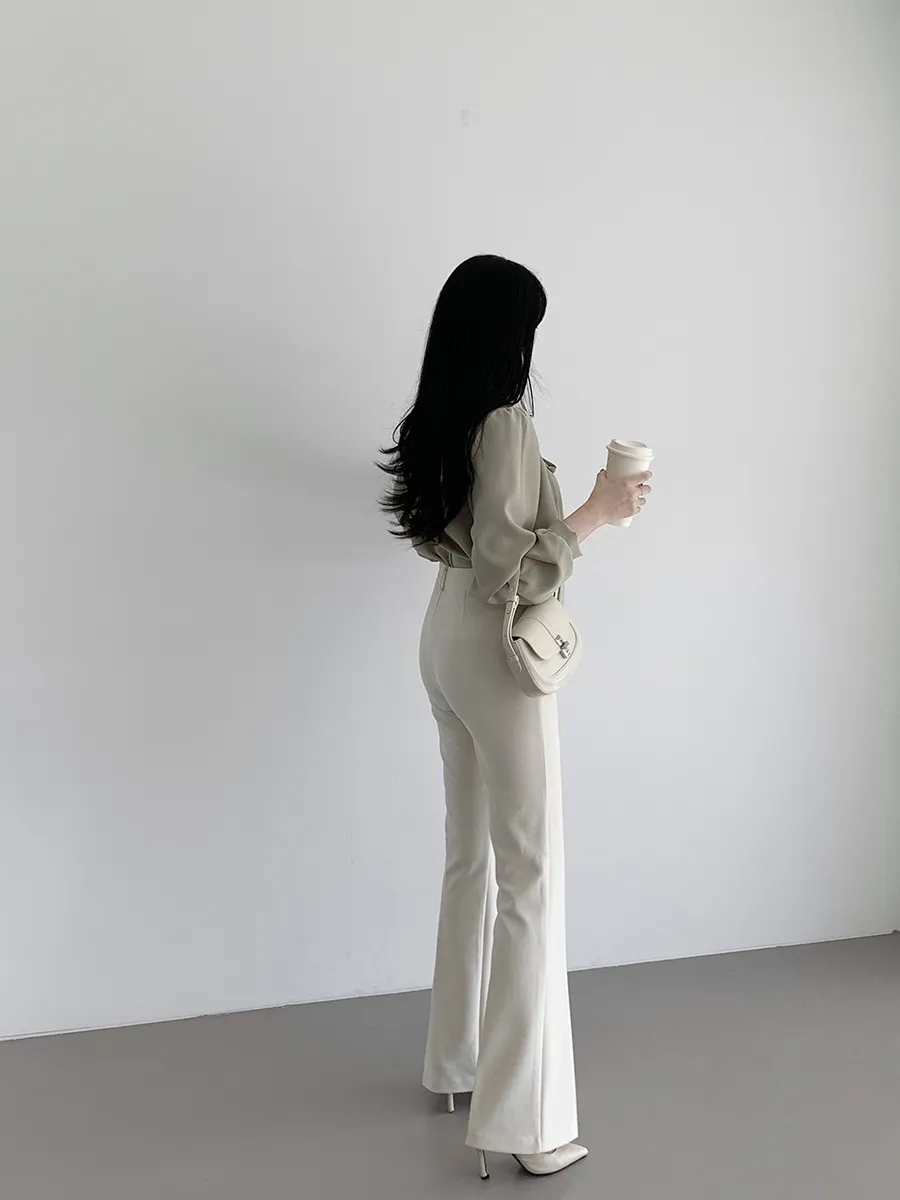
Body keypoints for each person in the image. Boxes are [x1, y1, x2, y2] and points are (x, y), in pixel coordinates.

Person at [379, 255, 651, 1178]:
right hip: (495, 649)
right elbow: (510, 568)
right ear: (507, 336)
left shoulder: (437, 415)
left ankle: (454, 1063)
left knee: (471, 856)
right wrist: (596, 513)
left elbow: (458, 544)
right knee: (531, 875)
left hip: (441, 636)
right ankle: (527, 1127)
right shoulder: (503, 421)